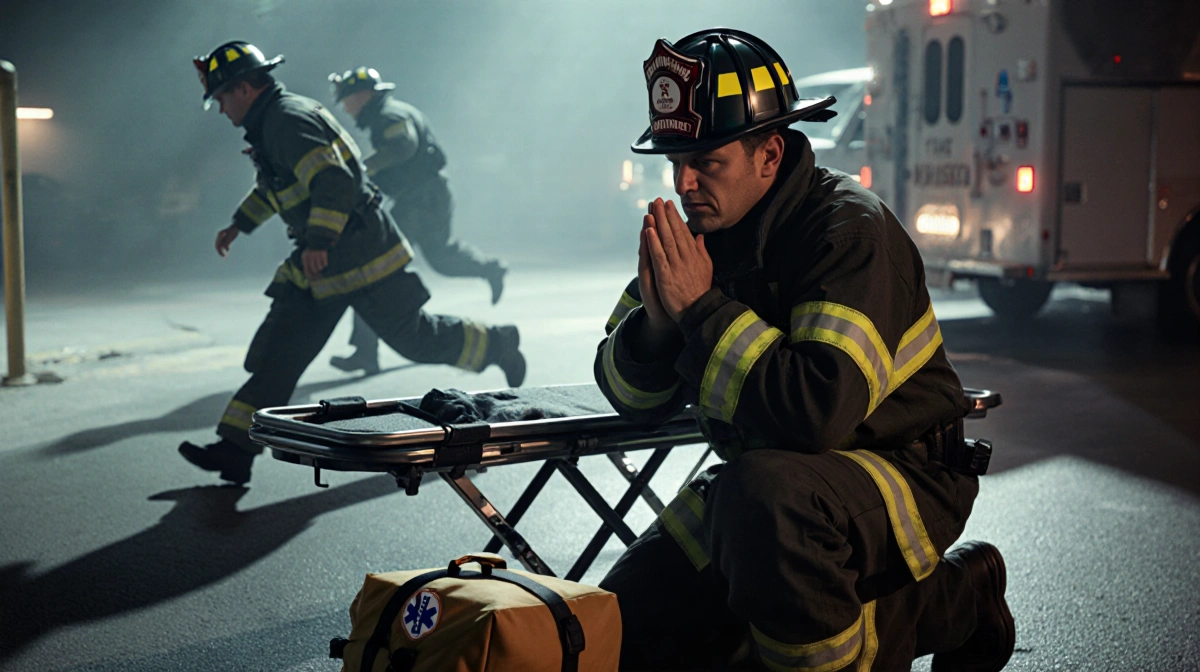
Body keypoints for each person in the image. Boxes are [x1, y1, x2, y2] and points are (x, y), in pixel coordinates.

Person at [594, 29, 1015, 671]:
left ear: (769, 153)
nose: (683, 182)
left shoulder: (847, 231)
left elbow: (817, 411)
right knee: (628, 620)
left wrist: (702, 312)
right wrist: (658, 324)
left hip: (900, 472)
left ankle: (951, 599)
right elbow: (628, 396)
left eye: (706, 161)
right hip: (773, 486)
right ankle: (878, 602)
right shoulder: (710, 230)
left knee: (764, 509)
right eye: (675, 160)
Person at [178, 42, 526, 485]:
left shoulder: (287, 120)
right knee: (280, 353)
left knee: (414, 340)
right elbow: (279, 188)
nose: (222, 109)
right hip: (323, 264)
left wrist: (319, 238)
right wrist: (238, 224)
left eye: (223, 98)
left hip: (360, 256)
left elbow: (335, 180)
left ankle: (498, 344)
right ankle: (234, 449)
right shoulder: (273, 122)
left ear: (245, 88)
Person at [323, 67, 509, 375]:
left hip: (420, 201)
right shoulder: (392, 111)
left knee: (372, 264)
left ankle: (365, 351)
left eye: (347, 101)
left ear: (362, 95)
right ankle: (489, 268)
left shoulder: (388, 116)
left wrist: (359, 171)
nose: (346, 108)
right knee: (441, 257)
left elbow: (403, 147)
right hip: (430, 196)